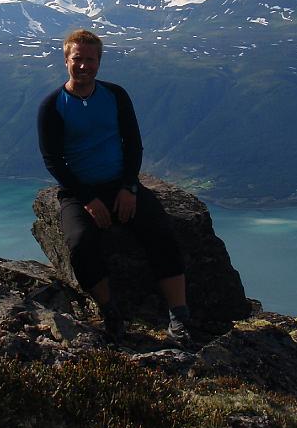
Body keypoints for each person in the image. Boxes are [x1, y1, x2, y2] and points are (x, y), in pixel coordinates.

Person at [37, 29, 190, 345]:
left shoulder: (115, 95)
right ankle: (111, 313)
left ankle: (180, 316)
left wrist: (129, 188)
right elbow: (53, 160)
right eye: (77, 59)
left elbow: (133, 144)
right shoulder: (52, 106)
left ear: (99, 62)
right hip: (79, 191)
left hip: (119, 183)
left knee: (160, 232)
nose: (84, 66)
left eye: (90, 60)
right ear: (66, 60)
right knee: (80, 244)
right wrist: (88, 198)